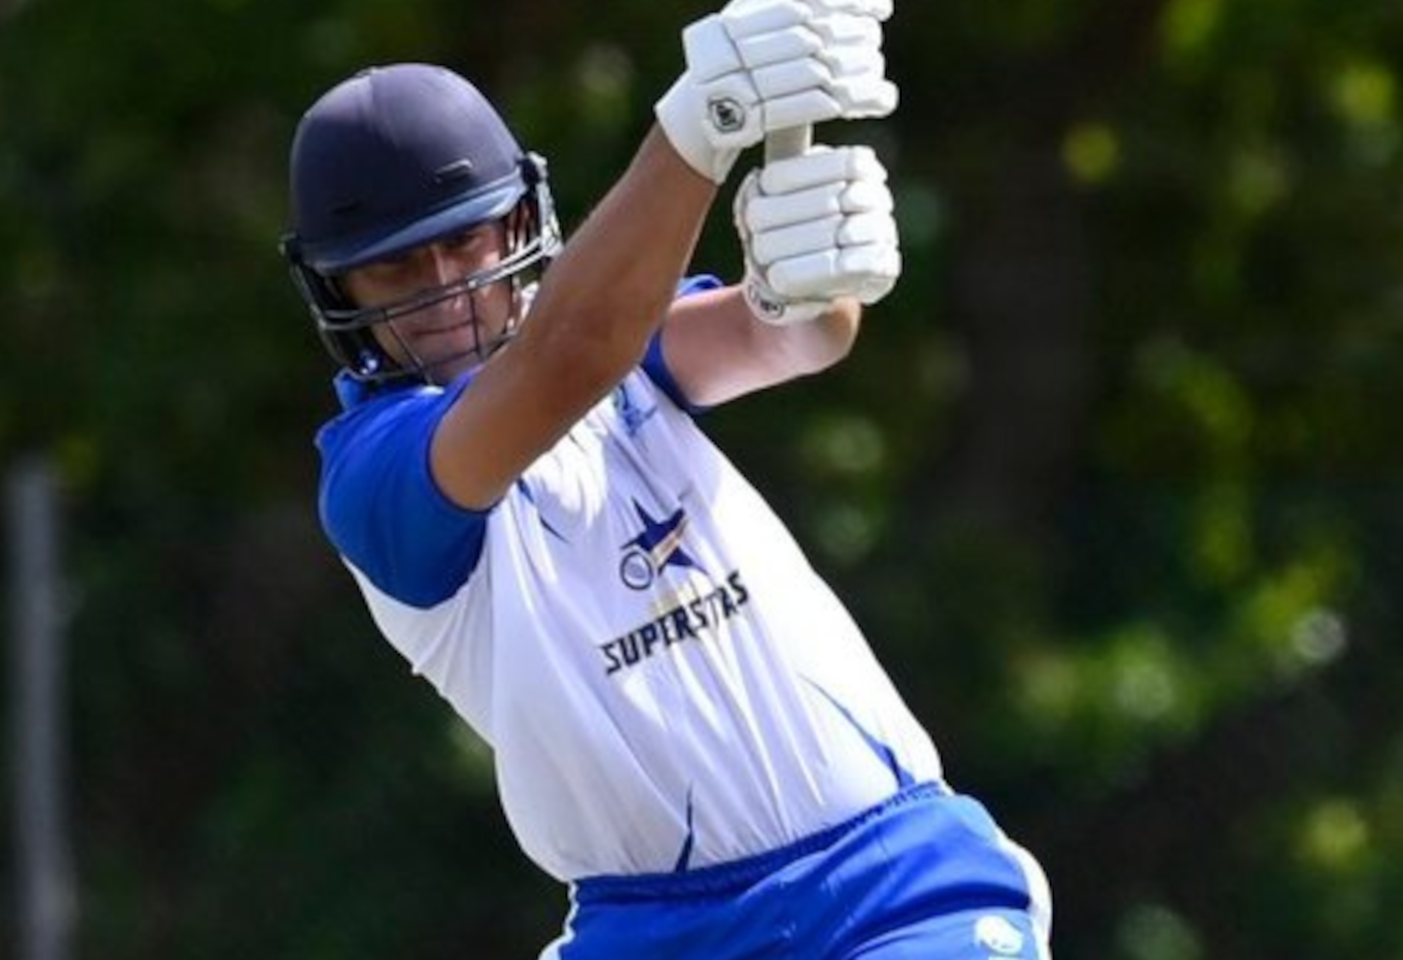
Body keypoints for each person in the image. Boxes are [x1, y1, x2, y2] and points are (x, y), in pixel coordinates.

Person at [279, 2, 1053, 957]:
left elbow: (787, 339)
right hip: (649, 930)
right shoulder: (374, 476)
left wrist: (806, 282)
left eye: (465, 241)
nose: (445, 289)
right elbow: (567, 358)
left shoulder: (607, 336)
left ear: (519, 222)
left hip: (890, 884)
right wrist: (703, 119)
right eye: (397, 268)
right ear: (339, 289)